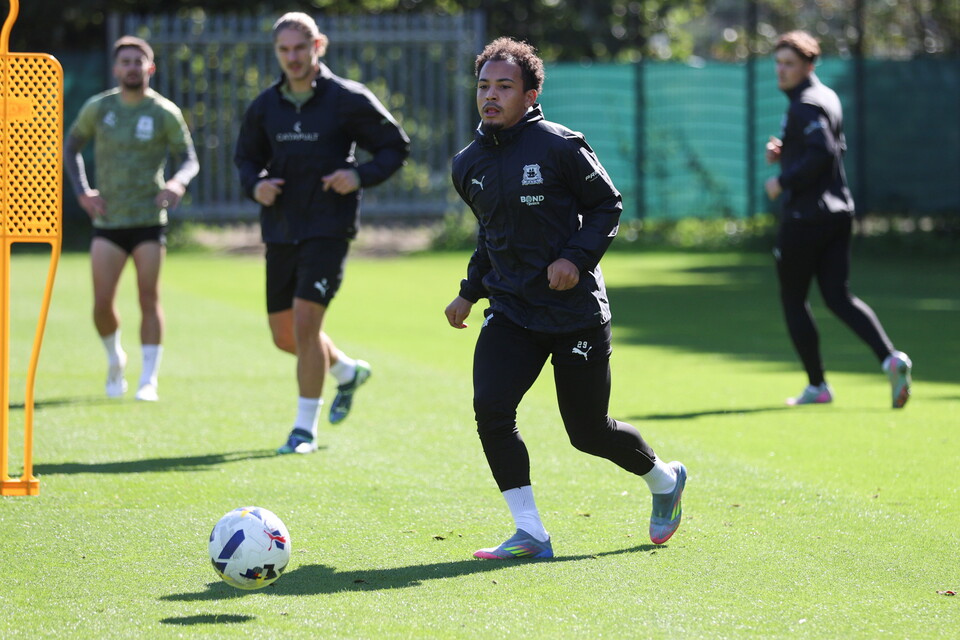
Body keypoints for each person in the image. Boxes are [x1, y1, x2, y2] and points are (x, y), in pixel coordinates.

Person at [445, 38, 686, 559]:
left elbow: (607, 206)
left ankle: (665, 480)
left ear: (531, 94)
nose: (491, 95)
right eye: (484, 85)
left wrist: (575, 260)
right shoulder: (467, 164)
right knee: (491, 410)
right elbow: (491, 234)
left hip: (573, 313)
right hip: (510, 311)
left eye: (505, 86)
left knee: (588, 432)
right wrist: (469, 293)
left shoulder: (561, 146)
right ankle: (530, 533)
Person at [235, 13, 410, 454]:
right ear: (276, 53)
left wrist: (359, 175)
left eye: (301, 47)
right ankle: (347, 371)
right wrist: (256, 184)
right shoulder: (265, 106)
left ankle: (303, 431)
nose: (293, 57)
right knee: (285, 337)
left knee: (307, 324)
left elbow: (395, 145)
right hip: (280, 230)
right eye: (284, 49)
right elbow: (244, 159)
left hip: (329, 228)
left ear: (319, 46)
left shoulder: (347, 99)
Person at [764, 31, 912, 409]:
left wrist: (784, 179)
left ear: (809, 65)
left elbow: (824, 151)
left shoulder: (804, 104)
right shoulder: (824, 96)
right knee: (838, 296)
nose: (781, 70)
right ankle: (890, 359)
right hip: (839, 212)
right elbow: (820, 145)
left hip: (805, 216)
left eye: (789, 64)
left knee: (793, 299)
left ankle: (817, 386)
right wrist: (787, 151)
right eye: (778, 62)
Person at [64, 36, 199, 402]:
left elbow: (189, 158)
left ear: (150, 68)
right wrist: (83, 192)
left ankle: (148, 380)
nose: (131, 67)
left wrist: (177, 182)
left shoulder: (163, 112)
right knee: (101, 303)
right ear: (115, 68)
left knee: (148, 297)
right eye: (124, 61)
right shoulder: (99, 107)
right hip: (108, 222)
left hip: (148, 220)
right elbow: (71, 145)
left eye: (138, 62)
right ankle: (115, 358)